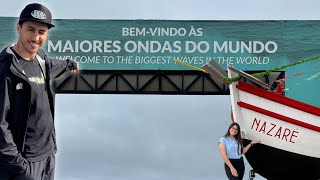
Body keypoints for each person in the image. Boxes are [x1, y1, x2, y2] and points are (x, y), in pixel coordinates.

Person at [0, 3, 78, 180]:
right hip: (23, 163)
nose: (36, 37)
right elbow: (0, 125)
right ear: (19, 28)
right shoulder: (6, 68)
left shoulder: (42, 60)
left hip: (47, 156)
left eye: (41, 32)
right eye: (31, 29)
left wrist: (69, 64)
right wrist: (20, 167)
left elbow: (54, 64)